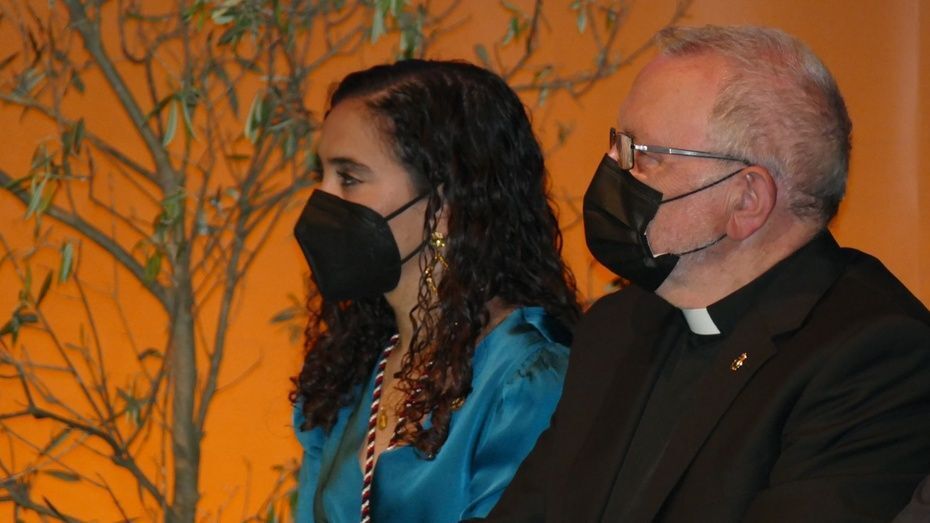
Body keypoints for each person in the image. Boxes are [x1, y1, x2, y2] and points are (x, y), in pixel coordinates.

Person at [483, 25, 930, 522]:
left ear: (746, 199)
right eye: (618, 145)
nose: (612, 169)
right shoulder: (616, 326)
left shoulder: (873, 356)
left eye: (642, 156)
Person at [290, 59, 580, 522]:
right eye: (319, 175)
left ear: (444, 203)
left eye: (348, 178)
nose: (321, 200)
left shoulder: (525, 378)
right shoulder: (351, 371)